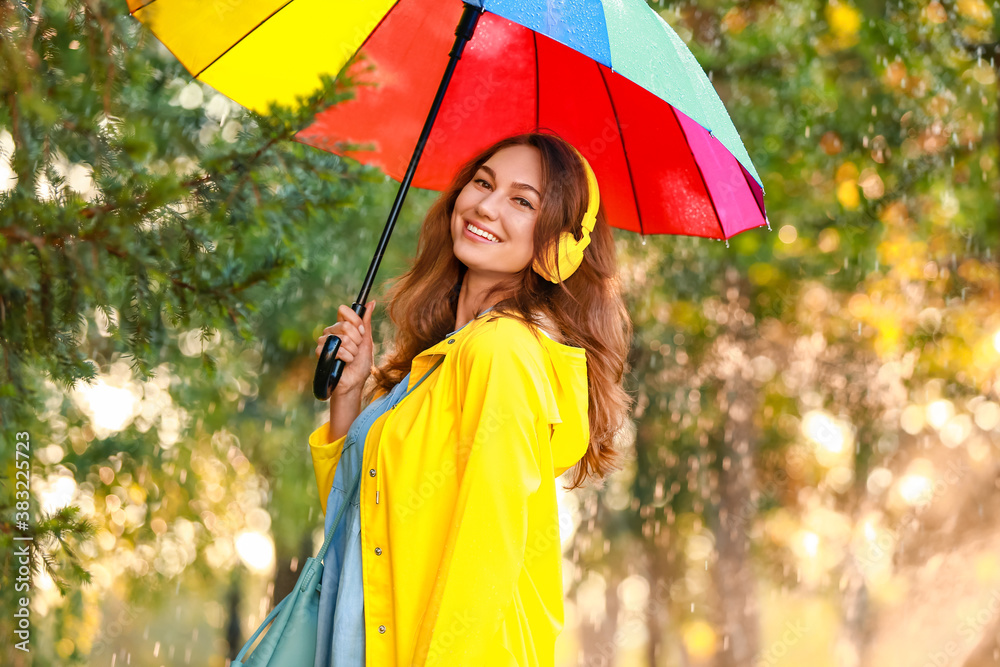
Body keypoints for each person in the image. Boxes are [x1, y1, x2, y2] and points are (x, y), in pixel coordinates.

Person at [309, 131, 634, 666]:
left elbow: (485, 554)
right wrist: (349, 397)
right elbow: (360, 529)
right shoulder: (440, 363)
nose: (485, 205)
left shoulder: (501, 353)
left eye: (522, 201)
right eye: (483, 183)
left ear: (556, 245)